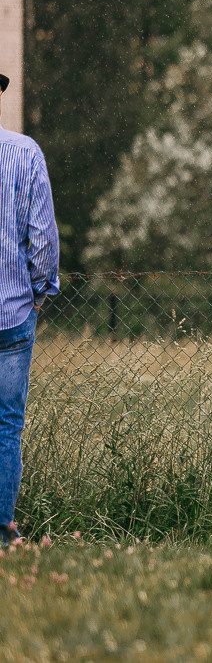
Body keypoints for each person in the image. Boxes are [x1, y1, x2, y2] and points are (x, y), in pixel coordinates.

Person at [0, 73, 60, 547]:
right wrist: (40, 291)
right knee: (5, 427)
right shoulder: (24, 153)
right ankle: (2, 529)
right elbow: (43, 240)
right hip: (12, 314)